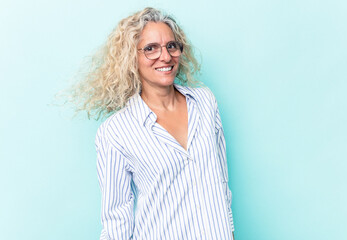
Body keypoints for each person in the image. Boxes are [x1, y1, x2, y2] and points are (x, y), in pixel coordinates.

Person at [69, 7, 234, 239]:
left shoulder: (205, 103)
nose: (165, 57)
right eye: (150, 49)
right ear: (131, 58)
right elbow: (117, 219)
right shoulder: (115, 132)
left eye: (171, 46)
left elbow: (222, 183)